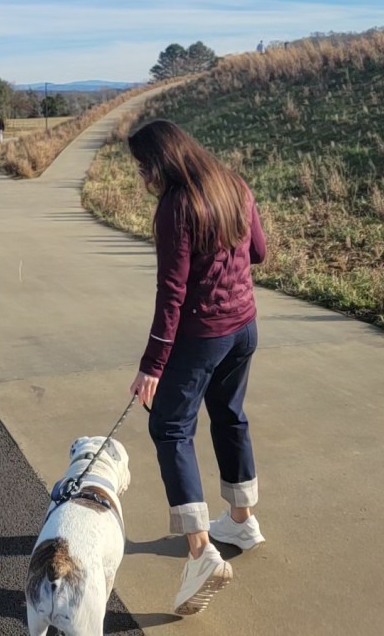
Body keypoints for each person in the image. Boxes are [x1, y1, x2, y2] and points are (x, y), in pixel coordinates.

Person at [127, 119, 267, 616]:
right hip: (245, 327)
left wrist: (152, 365)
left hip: (204, 334)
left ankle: (201, 552)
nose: (143, 178)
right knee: (230, 415)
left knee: (169, 428)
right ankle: (242, 519)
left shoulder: (176, 206)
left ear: (161, 162)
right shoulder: (235, 183)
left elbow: (173, 293)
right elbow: (259, 252)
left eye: (144, 167)